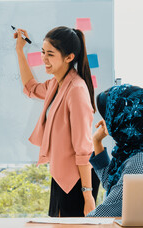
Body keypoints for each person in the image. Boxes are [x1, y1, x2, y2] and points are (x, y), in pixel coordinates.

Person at [14, 26, 100, 217]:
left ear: (69, 57)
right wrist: (20, 50)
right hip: (62, 175)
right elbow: (31, 88)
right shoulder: (56, 84)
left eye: (50, 54)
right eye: (43, 52)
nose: (44, 58)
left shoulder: (76, 89)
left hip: (78, 180)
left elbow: (83, 148)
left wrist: (88, 195)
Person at [87, 84, 143, 217]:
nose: (104, 121)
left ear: (121, 119)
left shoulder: (137, 162)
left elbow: (107, 212)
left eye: (108, 116)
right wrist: (96, 141)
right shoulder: (129, 150)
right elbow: (111, 185)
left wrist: (75, 227)